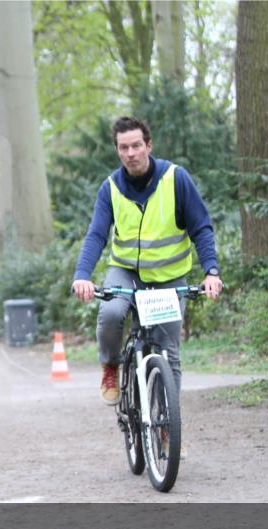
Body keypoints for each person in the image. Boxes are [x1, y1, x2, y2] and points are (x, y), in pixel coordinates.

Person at [71, 116, 223, 405]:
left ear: (148, 146)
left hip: (169, 278)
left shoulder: (176, 179)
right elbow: (96, 235)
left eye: (136, 145)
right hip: (126, 273)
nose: (131, 153)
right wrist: (82, 275)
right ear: (117, 151)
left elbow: (201, 228)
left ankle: (167, 422)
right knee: (111, 313)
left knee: (169, 351)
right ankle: (110, 366)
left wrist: (211, 272)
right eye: (123, 147)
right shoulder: (110, 188)